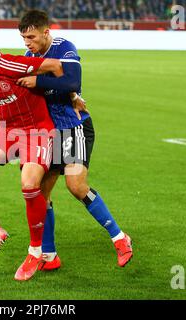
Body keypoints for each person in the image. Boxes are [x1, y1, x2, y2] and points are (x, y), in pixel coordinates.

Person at [16, 9, 133, 270]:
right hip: (48, 132)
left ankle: (120, 238)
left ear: (46, 32)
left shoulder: (64, 48)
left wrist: (38, 81)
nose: (28, 43)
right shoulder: (29, 56)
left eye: (32, 37)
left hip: (73, 126)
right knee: (40, 192)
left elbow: (72, 81)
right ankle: (49, 255)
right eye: (24, 38)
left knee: (76, 186)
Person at [0, 31, 66, 281]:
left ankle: (35, 252)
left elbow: (56, 65)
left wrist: (68, 97)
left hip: (37, 132)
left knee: (30, 186)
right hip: (9, 131)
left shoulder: (11, 64)